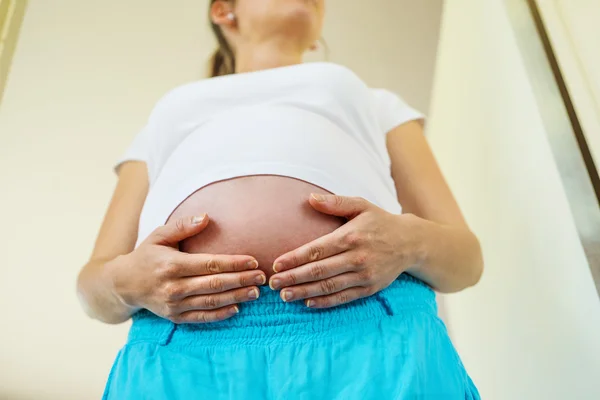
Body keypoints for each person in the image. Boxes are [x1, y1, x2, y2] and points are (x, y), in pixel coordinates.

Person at [77, 0, 483, 398]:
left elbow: (466, 261)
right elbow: (93, 283)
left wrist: (408, 242)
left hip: (367, 334)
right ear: (223, 10)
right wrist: (128, 283)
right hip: (184, 354)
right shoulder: (165, 117)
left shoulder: (376, 103)